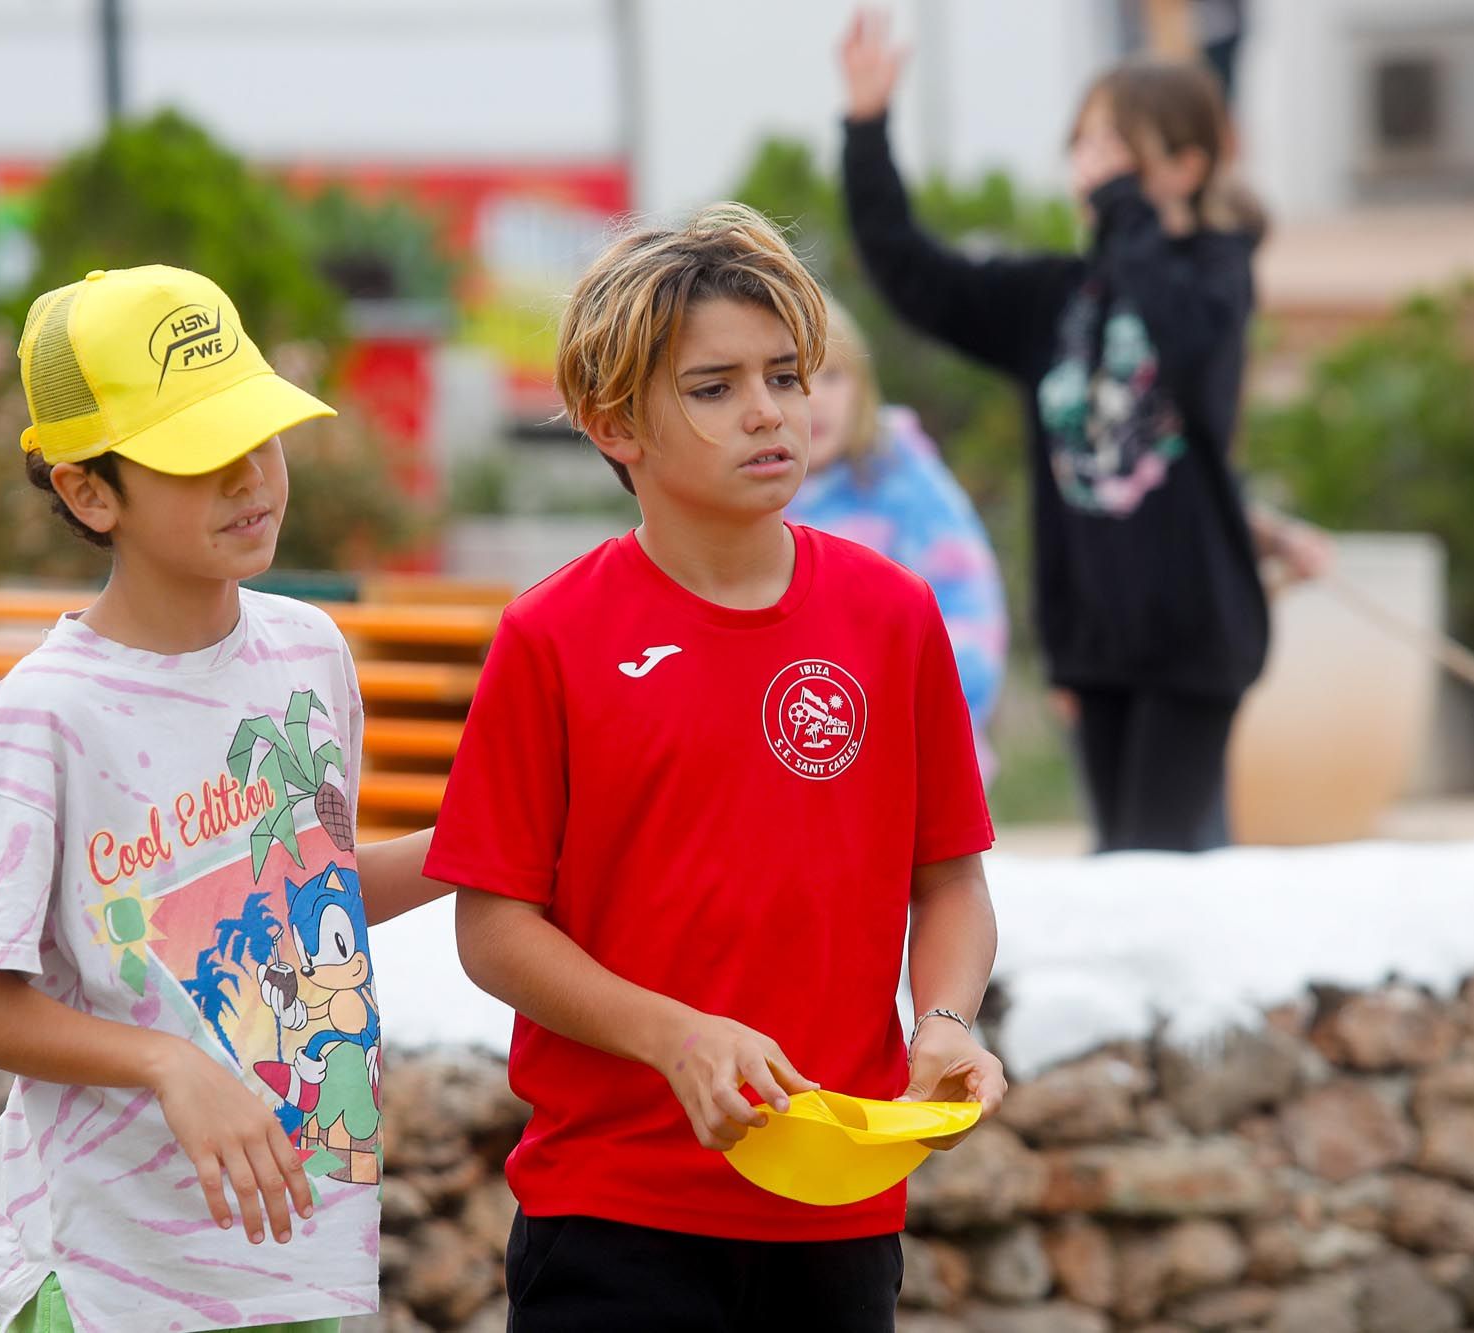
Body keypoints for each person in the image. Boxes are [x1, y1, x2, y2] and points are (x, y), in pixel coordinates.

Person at [423, 203, 1005, 1332]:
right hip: (612, 1216)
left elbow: (950, 881)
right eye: (713, 387)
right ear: (612, 422)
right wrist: (671, 1035)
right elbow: (491, 928)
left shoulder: (891, 615)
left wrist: (944, 1018)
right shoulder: (551, 635)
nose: (767, 412)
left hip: (837, 1211)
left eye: (788, 375)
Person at [0, 264, 443, 1333]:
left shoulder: (310, 651)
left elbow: (306, 899)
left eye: (261, 433)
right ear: (87, 491)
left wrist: (500, 845)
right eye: (201, 454)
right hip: (110, 1272)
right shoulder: (44, 716)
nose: (251, 475)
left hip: (303, 1246)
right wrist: (166, 1065)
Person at [838, 10, 1327, 852]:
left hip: (1193, 627)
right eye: (1085, 145)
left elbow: (1183, 343)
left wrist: (1129, 215)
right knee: (1119, 857)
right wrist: (867, 128)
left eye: (1119, 148)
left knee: (1156, 857)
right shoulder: (1055, 298)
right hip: (1093, 633)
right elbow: (917, 276)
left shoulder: (1218, 273)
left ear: (1186, 164)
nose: (1094, 167)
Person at [789, 295, 1009, 781]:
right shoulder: (751, 496)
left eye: (832, 377)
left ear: (862, 387)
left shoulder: (904, 482)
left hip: (910, 746)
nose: (815, 398)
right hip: (792, 748)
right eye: (794, 381)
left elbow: (970, 601)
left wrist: (934, 709)